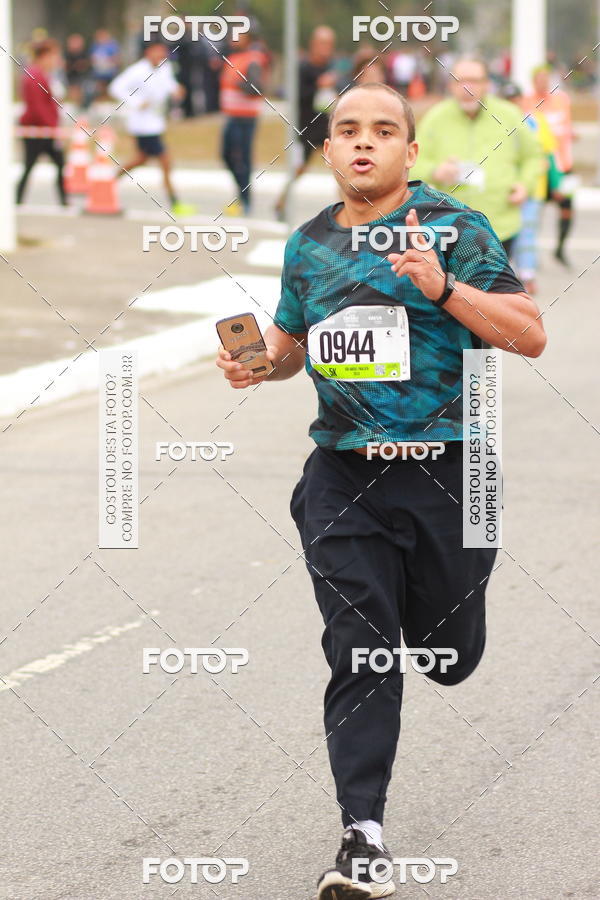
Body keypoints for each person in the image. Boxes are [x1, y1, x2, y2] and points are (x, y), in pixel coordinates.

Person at [216, 82, 546, 898]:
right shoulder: (308, 246)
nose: (364, 143)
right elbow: (293, 345)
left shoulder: (454, 228)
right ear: (328, 151)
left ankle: (445, 627)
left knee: (450, 655)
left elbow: (529, 333)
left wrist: (442, 288)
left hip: (449, 472)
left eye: (383, 131)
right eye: (348, 132)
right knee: (361, 648)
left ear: (409, 151)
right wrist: (255, 364)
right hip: (343, 478)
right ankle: (361, 836)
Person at [411, 56, 542, 258]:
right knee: (455, 289)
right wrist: (435, 171)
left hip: (501, 227)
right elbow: (410, 161)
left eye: (474, 81)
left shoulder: (509, 115)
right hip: (451, 228)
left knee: (495, 289)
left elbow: (533, 155)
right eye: (460, 81)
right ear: (451, 86)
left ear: (487, 84)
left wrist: (525, 184)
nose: (467, 88)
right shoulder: (435, 118)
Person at [108, 41, 192, 216]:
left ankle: (106, 183)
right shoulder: (137, 70)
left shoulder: (165, 67)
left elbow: (169, 85)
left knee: (140, 159)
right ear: (148, 52)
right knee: (165, 161)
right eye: (157, 51)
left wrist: (177, 90)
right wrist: (136, 102)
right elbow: (116, 87)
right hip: (142, 125)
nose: (160, 54)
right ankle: (175, 202)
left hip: (156, 123)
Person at [502, 82, 563, 295]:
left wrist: (556, 183)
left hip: (533, 189)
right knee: (504, 233)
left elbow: (547, 155)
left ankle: (527, 275)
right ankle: (507, 277)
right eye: (508, 101)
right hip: (505, 191)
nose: (512, 104)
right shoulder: (496, 121)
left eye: (515, 100)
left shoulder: (535, 122)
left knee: (527, 233)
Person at [274, 26, 337, 219]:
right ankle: (281, 203)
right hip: (305, 127)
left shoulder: (330, 67)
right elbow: (294, 96)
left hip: (327, 127)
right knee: (298, 168)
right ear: (313, 44)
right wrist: (318, 85)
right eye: (323, 44)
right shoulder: (303, 68)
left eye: (330, 44)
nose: (326, 49)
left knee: (340, 167)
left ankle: (348, 208)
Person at [524, 65, 576, 266]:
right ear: (533, 80)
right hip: (543, 166)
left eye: (546, 77)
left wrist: (571, 134)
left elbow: (567, 126)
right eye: (539, 78)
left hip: (565, 163)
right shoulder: (528, 101)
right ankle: (531, 253)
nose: (543, 82)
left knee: (567, 207)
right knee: (537, 208)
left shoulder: (561, 99)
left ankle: (560, 249)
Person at [219, 25, 267, 216]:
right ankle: (241, 192)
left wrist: (239, 84)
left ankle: (245, 200)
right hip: (232, 114)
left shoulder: (253, 59)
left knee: (243, 159)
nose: (233, 37)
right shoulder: (232, 58)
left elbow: (257, 87)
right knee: (226, 155)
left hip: (246, 116)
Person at [16, 39, 67, 206]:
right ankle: (17, 200)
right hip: (37, 129)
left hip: (44, 128)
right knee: (30, 165)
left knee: (59, 163)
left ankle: (63, 200)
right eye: (53, 56)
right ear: (44, 56)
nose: (55, 60)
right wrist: (53, 127)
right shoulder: (34, 76)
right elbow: (38, 107)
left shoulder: (43, 75)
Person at [90, 28, 120, 100]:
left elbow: (117, 58)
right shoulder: (95, 46)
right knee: (99, 85)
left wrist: (107, 61)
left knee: (110, 86)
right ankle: (100, 98)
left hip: (110, 70)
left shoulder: (112, 46)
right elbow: (92, 58)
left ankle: (109, 98)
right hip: (98, 71)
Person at [64, 33, 89, 108]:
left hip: (81, 76)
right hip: (70, 76)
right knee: (72, 90)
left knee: (79, 90)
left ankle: (79, 106)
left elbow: (85, 65)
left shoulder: (84, 53)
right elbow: (65, 65)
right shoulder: (67, 54)